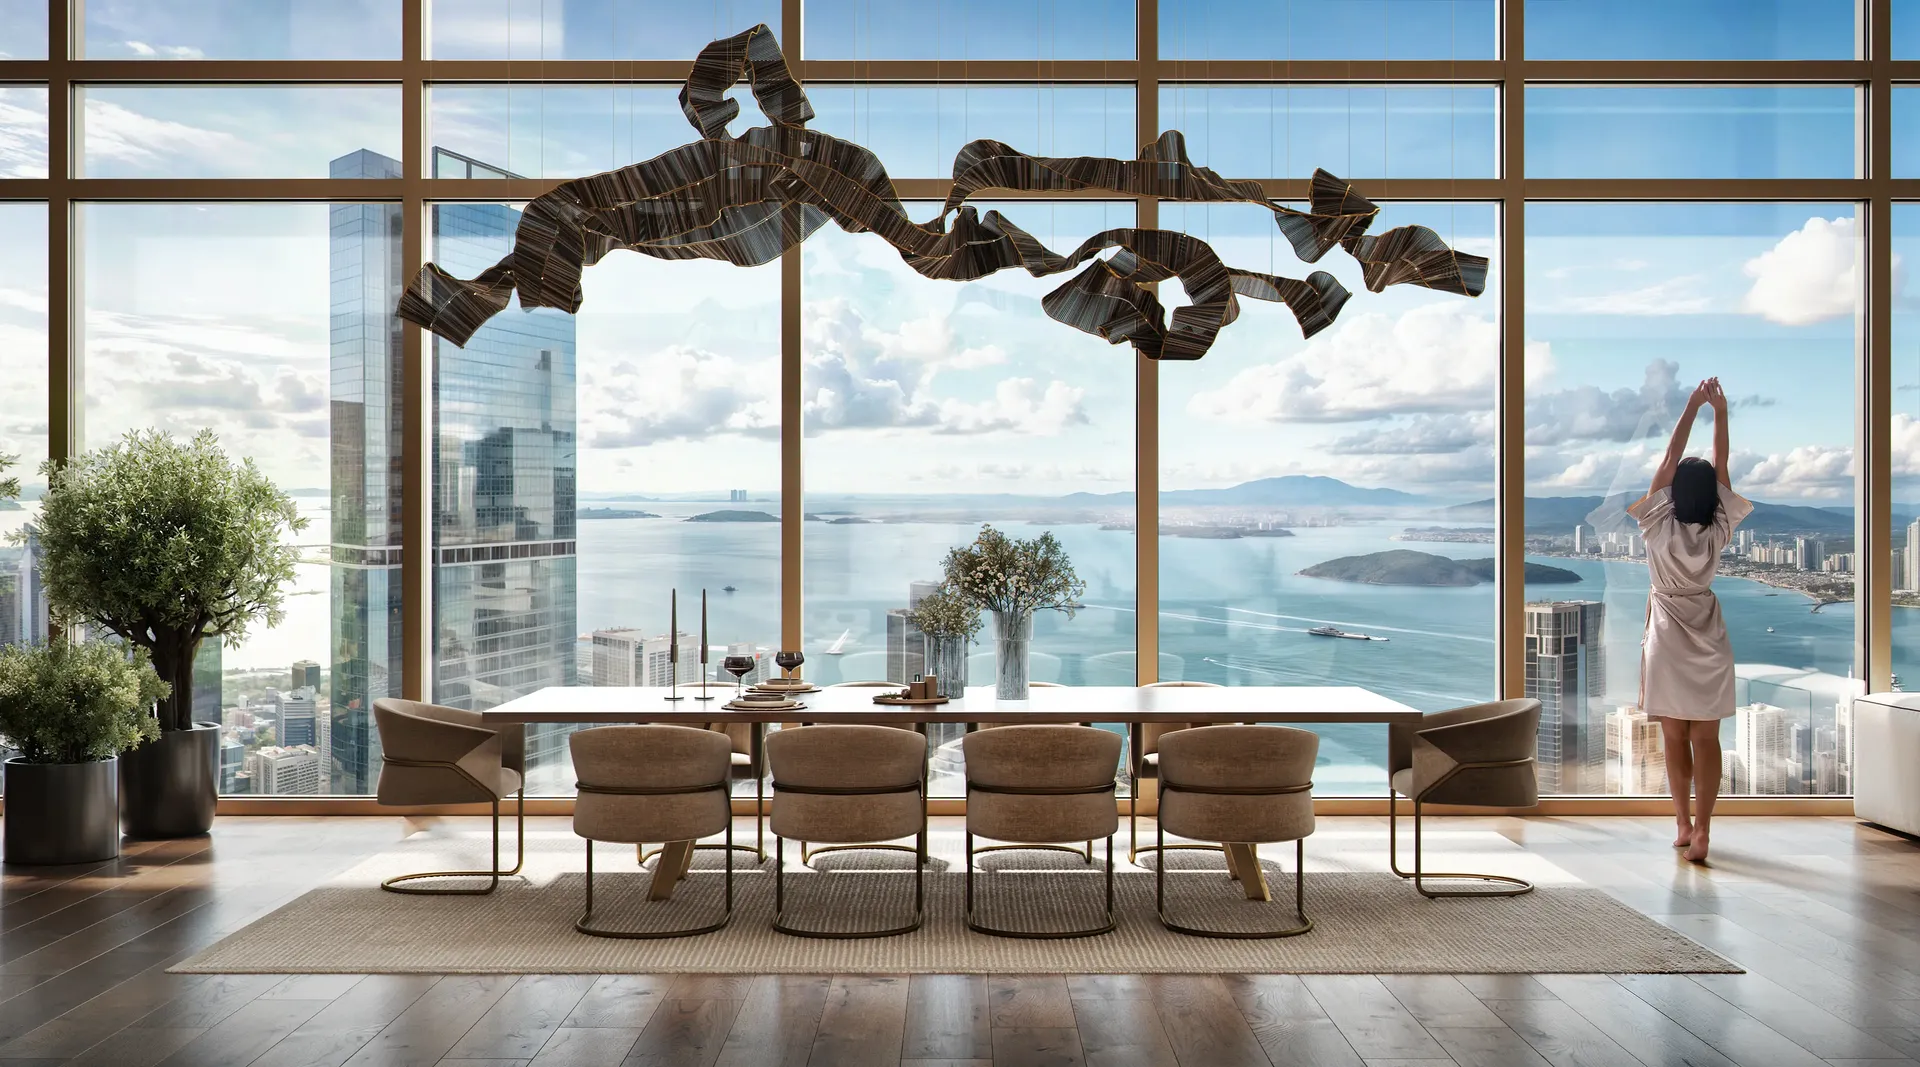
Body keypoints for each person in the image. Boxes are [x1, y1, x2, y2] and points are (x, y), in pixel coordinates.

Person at [1628, 377, 1751, 863]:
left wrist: (1691, 406)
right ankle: (1703, 832)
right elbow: (1722, 471)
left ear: (1674, 491)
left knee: (1674, 736)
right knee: (1707, 738)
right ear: (1714, 499)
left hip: (1666, 633)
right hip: (1707, 629)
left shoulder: (1657, 525)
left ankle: (1681, 825)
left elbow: (1666, 462)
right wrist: (1720, 412)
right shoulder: (1720, 528)